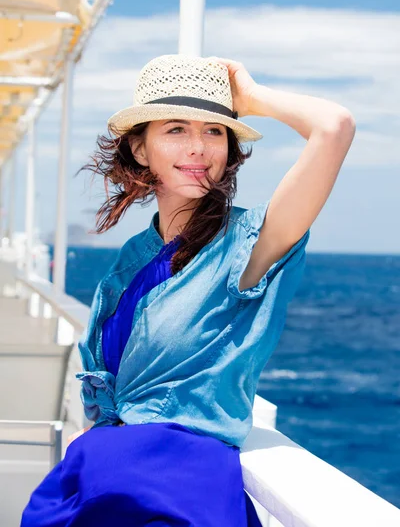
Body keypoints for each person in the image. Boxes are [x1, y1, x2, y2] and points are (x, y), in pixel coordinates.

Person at [21, 54, 356, 526]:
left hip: (177, 490)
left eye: (214, 131)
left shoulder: (249, 244)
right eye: (176, 129)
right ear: (141, 150)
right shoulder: (133, 258)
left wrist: (252, 97)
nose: (198, 147)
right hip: (93, 478)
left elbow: (334, 127)